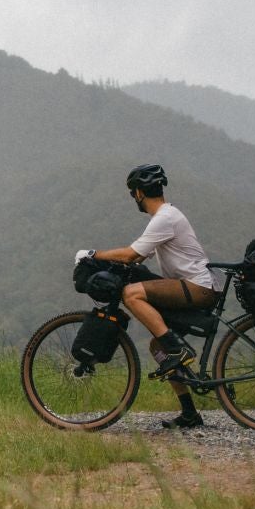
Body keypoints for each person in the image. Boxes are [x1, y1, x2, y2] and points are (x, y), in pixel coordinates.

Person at [86, 163, 221, 427]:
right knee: (157, 347)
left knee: (132, 294)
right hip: (194, 286)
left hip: (199, 287)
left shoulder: (164, 218)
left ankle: (178, 347)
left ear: (138, 193)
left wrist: (92, 254)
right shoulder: (164, 218)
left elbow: (131, 254)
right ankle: (190, 414)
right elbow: (137, 257)